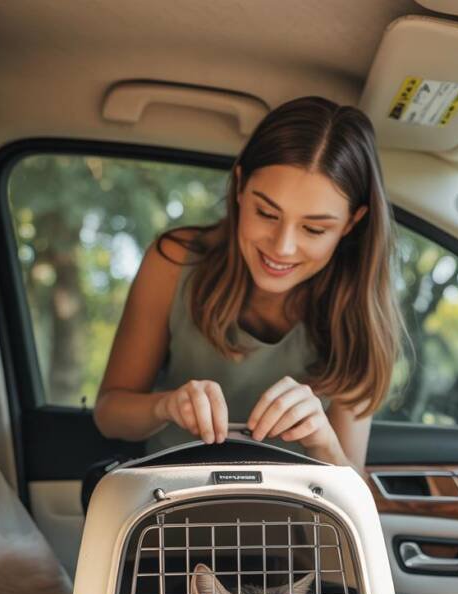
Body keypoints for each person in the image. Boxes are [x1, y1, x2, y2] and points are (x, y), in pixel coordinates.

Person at [94, 96, 402, 471]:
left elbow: (356, 496)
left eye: (314, 228)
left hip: (290, 516)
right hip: (168, 505)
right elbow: (109, 414)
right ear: (240, 187)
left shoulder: (358, 313)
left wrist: (324, 443)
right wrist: (166, 404)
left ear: (352, 223)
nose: (282, 247)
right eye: (266, 213)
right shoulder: (175, 261)